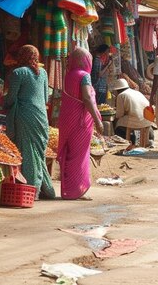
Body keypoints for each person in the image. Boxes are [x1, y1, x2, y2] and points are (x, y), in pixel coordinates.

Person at [4, 45, 56, 199]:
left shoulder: (18, 73)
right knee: (38, 154)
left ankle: (32, 190)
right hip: (41, 117)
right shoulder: (44, 73)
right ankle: (47, 189)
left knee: (28, 153)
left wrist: (2, 105)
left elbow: (11, 98)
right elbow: (46, 98)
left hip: (25, 116)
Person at [58, 48, 103, 200]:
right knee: (79, 156)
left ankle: (69, 189)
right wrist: (97, 120)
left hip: (67, 120)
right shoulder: (84, 76)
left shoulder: (68, 74)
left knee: (69, 154)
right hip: (80, 122)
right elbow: (87, 98)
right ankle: (75, 190)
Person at [111, 78, 154, 147]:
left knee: (118, 125)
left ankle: (129, 141)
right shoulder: (137, 92)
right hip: (148, 119)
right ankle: (148, 140)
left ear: (117, 90)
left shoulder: (121, 95)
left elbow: (119, 114)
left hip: (136, 121)